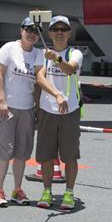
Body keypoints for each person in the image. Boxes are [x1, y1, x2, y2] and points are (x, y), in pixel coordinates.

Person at [0, 17, 43, 207]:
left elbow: (38, 81)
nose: (32, 34)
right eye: (28, 29)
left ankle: (17, 190)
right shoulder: (9, 48)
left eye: (36, 31)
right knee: (5, 151)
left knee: (22, 153)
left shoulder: (38, 54)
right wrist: (2, 100)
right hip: (7, 107)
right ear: (21, 30)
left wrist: (37, 107)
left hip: (27, 109)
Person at [35, 15, 82, 211]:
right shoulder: (42, 54)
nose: (60, 32)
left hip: (69, 111)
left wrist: (57, 58)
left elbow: (70, 69)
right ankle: (47, 191)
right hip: (47, 110)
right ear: (50, 33)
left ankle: (69, 193)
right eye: (56, 29)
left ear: (69, 33)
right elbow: (39, 78)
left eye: (64, 29)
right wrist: (56, 95)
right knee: (46, 155)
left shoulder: (75, 53)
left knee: (70, 156)